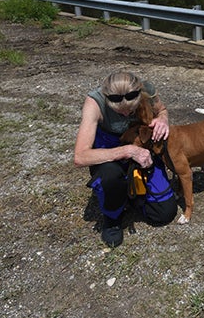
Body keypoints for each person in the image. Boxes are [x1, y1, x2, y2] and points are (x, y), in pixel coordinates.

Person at [73, 71, 178, 247]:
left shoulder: (147, 90)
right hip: (109, 152)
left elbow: (162, 110)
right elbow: (80, 156)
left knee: (163, 214)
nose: (125, 114)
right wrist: (127, 151)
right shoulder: (94, 102)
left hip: (141, 147)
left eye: (131, 109)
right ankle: (112, 217)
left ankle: (133, 196)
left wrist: (163, 120)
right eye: (119, 111)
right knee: (111, 176)